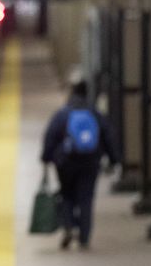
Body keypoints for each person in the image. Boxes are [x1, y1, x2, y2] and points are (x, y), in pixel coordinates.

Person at [41, 79, 120, 250]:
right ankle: (84, 236)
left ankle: (68, 227)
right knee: (86, 198)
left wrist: (46, 158)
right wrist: (114, 159)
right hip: (90, 163)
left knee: (67, 195)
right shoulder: (95, 113)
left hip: (66, 163)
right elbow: (108, 136)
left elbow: (51, 136)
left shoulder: (62, 114)